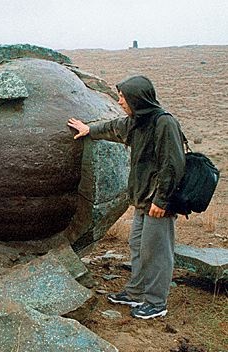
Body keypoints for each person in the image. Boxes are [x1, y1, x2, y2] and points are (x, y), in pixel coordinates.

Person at [68, 75, 185, 319]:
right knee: (138, 246)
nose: (120, 101)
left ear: (137, 98)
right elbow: (113, 128)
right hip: (143, 200)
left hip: (158, 202)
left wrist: (162, 201)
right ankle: (135, 293)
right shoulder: (137, 121)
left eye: (123, 97)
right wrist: (88, 129)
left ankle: (156, 302)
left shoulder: (164, 124)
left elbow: (173, 165)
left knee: (157, 252)